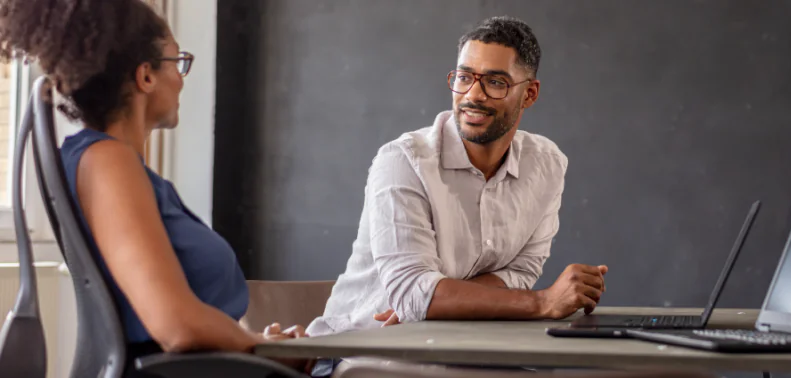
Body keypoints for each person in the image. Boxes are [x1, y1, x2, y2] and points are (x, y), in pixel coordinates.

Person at [0, 0, 308, 375]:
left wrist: (254, 343)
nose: (181, 78)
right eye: (177, 62)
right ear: (145, 76)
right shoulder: (107, 162)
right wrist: (261, 348)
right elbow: (175, 325)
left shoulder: (112, 166)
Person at [307, 15, 609, 338]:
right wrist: (542, 302)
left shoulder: (547, 166)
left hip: (453, 345)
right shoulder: (403, 161)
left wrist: (438, 302)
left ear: (529, 94)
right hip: (358, 348)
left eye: (495, 82)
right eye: (464, 77)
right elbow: (413, 293)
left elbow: (519, 271)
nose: (472, 95)